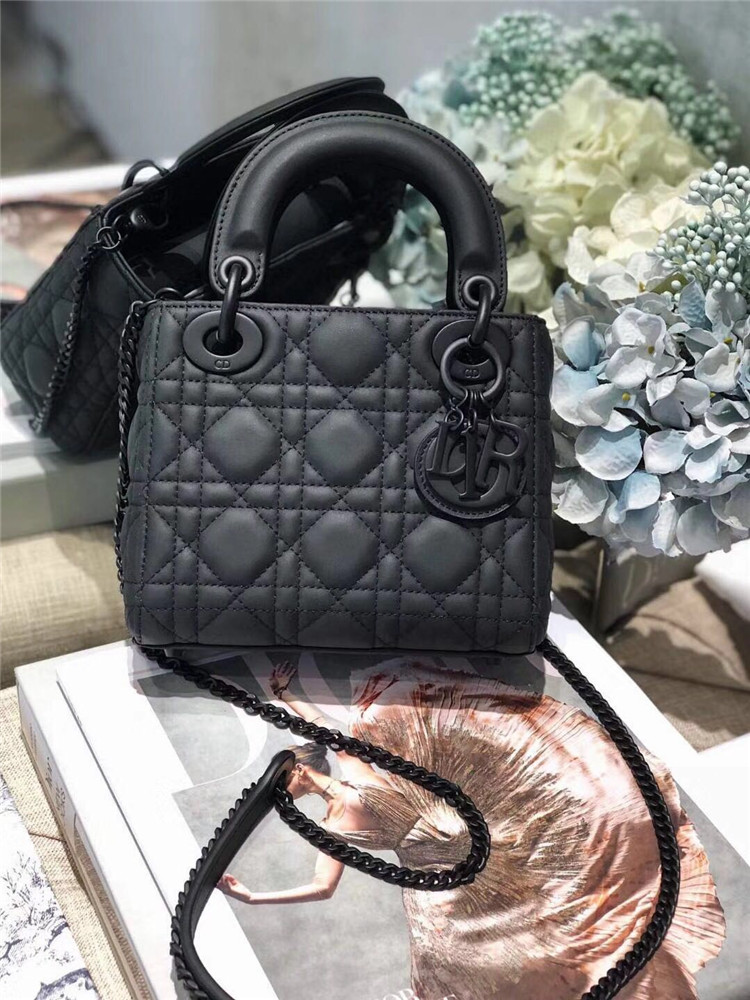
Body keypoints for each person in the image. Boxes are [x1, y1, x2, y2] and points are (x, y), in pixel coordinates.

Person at [219, 659, 725, 999]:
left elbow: (327, 733)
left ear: (298, 769)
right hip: (442, 888)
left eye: (285, 778)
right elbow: (322, 887)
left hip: (475, 832)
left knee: (570, 891)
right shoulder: (328, 827)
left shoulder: (352, 770)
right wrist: (253, 898)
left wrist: (286, 695)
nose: (284, 789)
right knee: (496, 965)